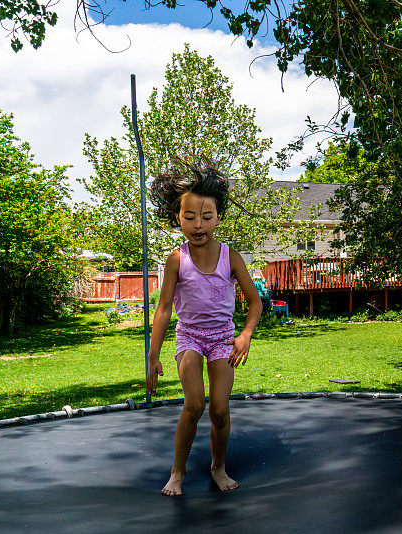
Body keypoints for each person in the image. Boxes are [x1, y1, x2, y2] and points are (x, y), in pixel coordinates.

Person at [146, 157, 262, 495]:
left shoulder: (231, 256)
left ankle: (217, 467)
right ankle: (177, 473)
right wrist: (153, 356)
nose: (199, 225)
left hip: (223, 339)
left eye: (206, 217)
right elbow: (164, 308)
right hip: (191, 338)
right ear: (178, 219)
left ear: (218, 218)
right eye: (190, 217)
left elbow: (254, 302)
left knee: (220, 410)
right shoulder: (176, 259)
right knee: (195, 404)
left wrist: (245, 334)